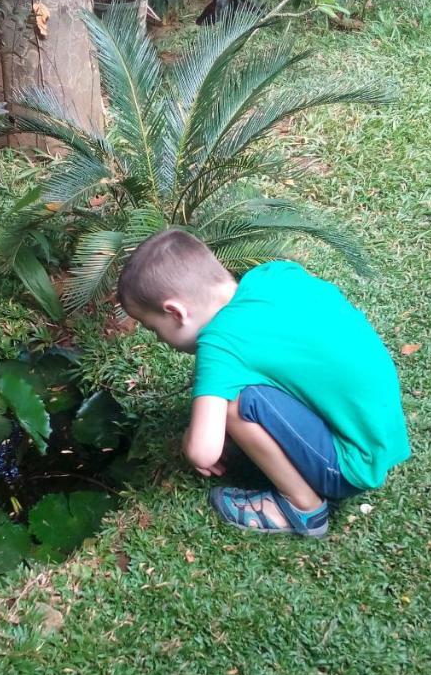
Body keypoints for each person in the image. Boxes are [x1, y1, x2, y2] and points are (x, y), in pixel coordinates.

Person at [116, 228, 410, 538]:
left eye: (153, 328)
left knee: (233, 402)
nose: (159, 340)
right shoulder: (273, 274)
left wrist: (191, 440)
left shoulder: (220, 344)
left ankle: (303, 507)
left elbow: (203, 452)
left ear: (175, 312)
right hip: (379, 433)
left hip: (349, 467)